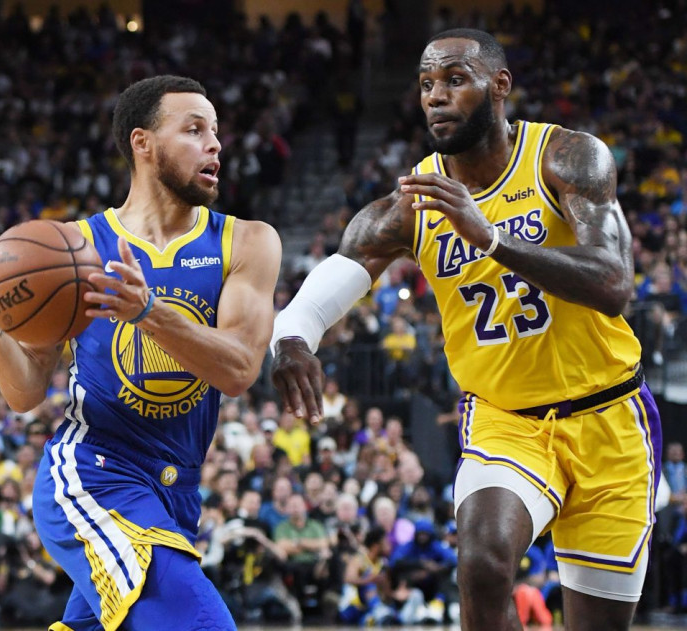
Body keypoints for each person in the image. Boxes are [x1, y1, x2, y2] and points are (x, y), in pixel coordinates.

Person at [271, 29, 661, 630]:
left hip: (609, 417)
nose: (436, 96)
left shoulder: (567, 157)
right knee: (481, 561)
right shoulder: (412, 204)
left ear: (498, 86)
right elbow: (314, 303)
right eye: (427, 84)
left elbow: (614, 284)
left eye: (455, 79)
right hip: (508, 421)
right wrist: (291, 342)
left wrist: (494, 240)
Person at [0, 75, 281, 631]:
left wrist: (147, 312)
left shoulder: (247, 241)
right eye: (194, 130)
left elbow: (238, 370)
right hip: (93, 471)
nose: (216, 145)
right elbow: (23, 394)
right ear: (143, 143)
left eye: (216, 132)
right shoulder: (76, 248)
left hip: (176, 494)